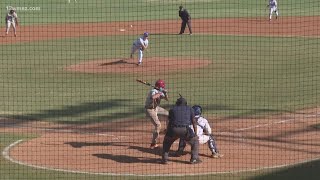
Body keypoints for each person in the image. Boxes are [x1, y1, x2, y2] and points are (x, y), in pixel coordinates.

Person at [161, 96, 201, 164]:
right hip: (185, 130)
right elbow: (194, 122)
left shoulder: (172, 109)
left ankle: (165, 159)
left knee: (167, 142)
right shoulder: (190, 109)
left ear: (177, 103)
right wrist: (195, 134)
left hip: (173, 129)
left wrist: (167, 132)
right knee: (195, 141)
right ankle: (194, 159)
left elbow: (169, 122)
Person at [144, 79, 169, 149]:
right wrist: (160, 92)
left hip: (156, 108)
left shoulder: (159, 91)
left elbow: (167, 99)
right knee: (158, 125)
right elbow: (153, 97)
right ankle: (153, 143)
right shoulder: (153, 91)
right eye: (162, 87)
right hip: (149, 109)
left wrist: (165, 93)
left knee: (169, 115)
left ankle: (167, 130)